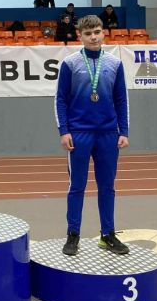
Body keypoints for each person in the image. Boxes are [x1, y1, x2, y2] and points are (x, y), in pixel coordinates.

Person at [55, 15, 129, 257]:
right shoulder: (70, 63)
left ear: (103, 32)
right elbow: (60, 99)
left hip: (108, 134)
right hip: (79, 134)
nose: (93, 37)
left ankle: (108, 235)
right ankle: (73, 234)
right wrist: (64, 131)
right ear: (80, 36)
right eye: (88, 33)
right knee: (77, 186)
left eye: (97, 32)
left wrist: (124, 131)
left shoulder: (115, 63)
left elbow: (121, 99)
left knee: (107, 186)